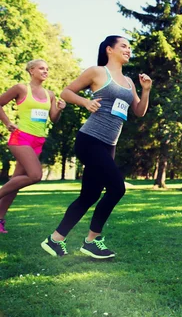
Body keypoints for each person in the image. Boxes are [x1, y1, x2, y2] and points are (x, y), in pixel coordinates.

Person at [41, 36, 152, 259]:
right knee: (117, 188)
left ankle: (55, 240)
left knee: (89, 196)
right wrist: (85, 102)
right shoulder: (98, 72)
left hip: (108, 145)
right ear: (109, 49)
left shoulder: (130, 82)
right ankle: (92, 240)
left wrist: (146, 90)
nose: (128, 50)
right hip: (90, 139)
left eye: (129, 47)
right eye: (124, 46)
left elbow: (139, 111)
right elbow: (66, 92)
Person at [0, 60, 66, 233]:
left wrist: (59, 109)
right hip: (21, 138)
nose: (46, 71)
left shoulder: (50, 94)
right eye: (42, 68)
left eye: (47, 68)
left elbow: (53, 118)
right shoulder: (21, 89)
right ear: (31, 70)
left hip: (38, 141)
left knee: (15, 184)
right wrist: (7, 123)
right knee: (35, 175)